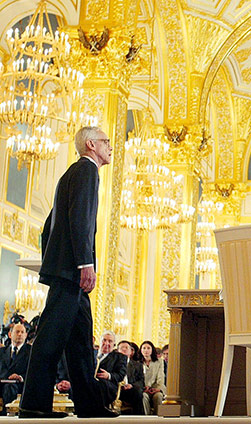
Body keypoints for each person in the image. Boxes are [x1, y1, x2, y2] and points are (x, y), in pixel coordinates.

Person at [18, 126, 118, 419]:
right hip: (72, 271)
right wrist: (83, 263)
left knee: (80, 343)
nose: (109, 147)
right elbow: (81, 220)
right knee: (50, 338)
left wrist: (56, 259)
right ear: (91, 145)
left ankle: (89, 405)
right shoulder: (86, 171)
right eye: (106, 142)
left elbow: (48, 226)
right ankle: (33, 405)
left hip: (66, 269)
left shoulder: (72, 174)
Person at [0, 323, 31, 414]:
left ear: (26, 335)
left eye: (22, 332)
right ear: (10, 334)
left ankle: (7, 416)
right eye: (17, 332)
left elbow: (33, 373)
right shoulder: (2, 352)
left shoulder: (30, 352)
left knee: (10, 387)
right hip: (2, 383)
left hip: (20, 385)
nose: (20, 334)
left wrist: (20, 377)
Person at [117, 340, 145, 414]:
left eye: (126, 348)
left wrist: (131, 385)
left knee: (138, 392)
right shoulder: (113, 363)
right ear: (117, 351)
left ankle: (138, 418)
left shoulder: (137, 365)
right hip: (115, 389)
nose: (124, 349)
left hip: (130, 390)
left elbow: (141, 381)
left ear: (131, 351)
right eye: (121, 348)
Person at [139, 340, 166, 415]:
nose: (146, 350)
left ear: (152, 350)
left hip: (156, 387)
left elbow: (161, 377)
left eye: (148, 348)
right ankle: (146, 418)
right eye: (144, 348)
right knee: (143, 396)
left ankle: (158, 418)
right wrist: (144, 388)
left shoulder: (159, 361)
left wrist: (158, 389)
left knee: (158, 396)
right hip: (144, 389)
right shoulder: (138, 363)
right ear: (141, 350)